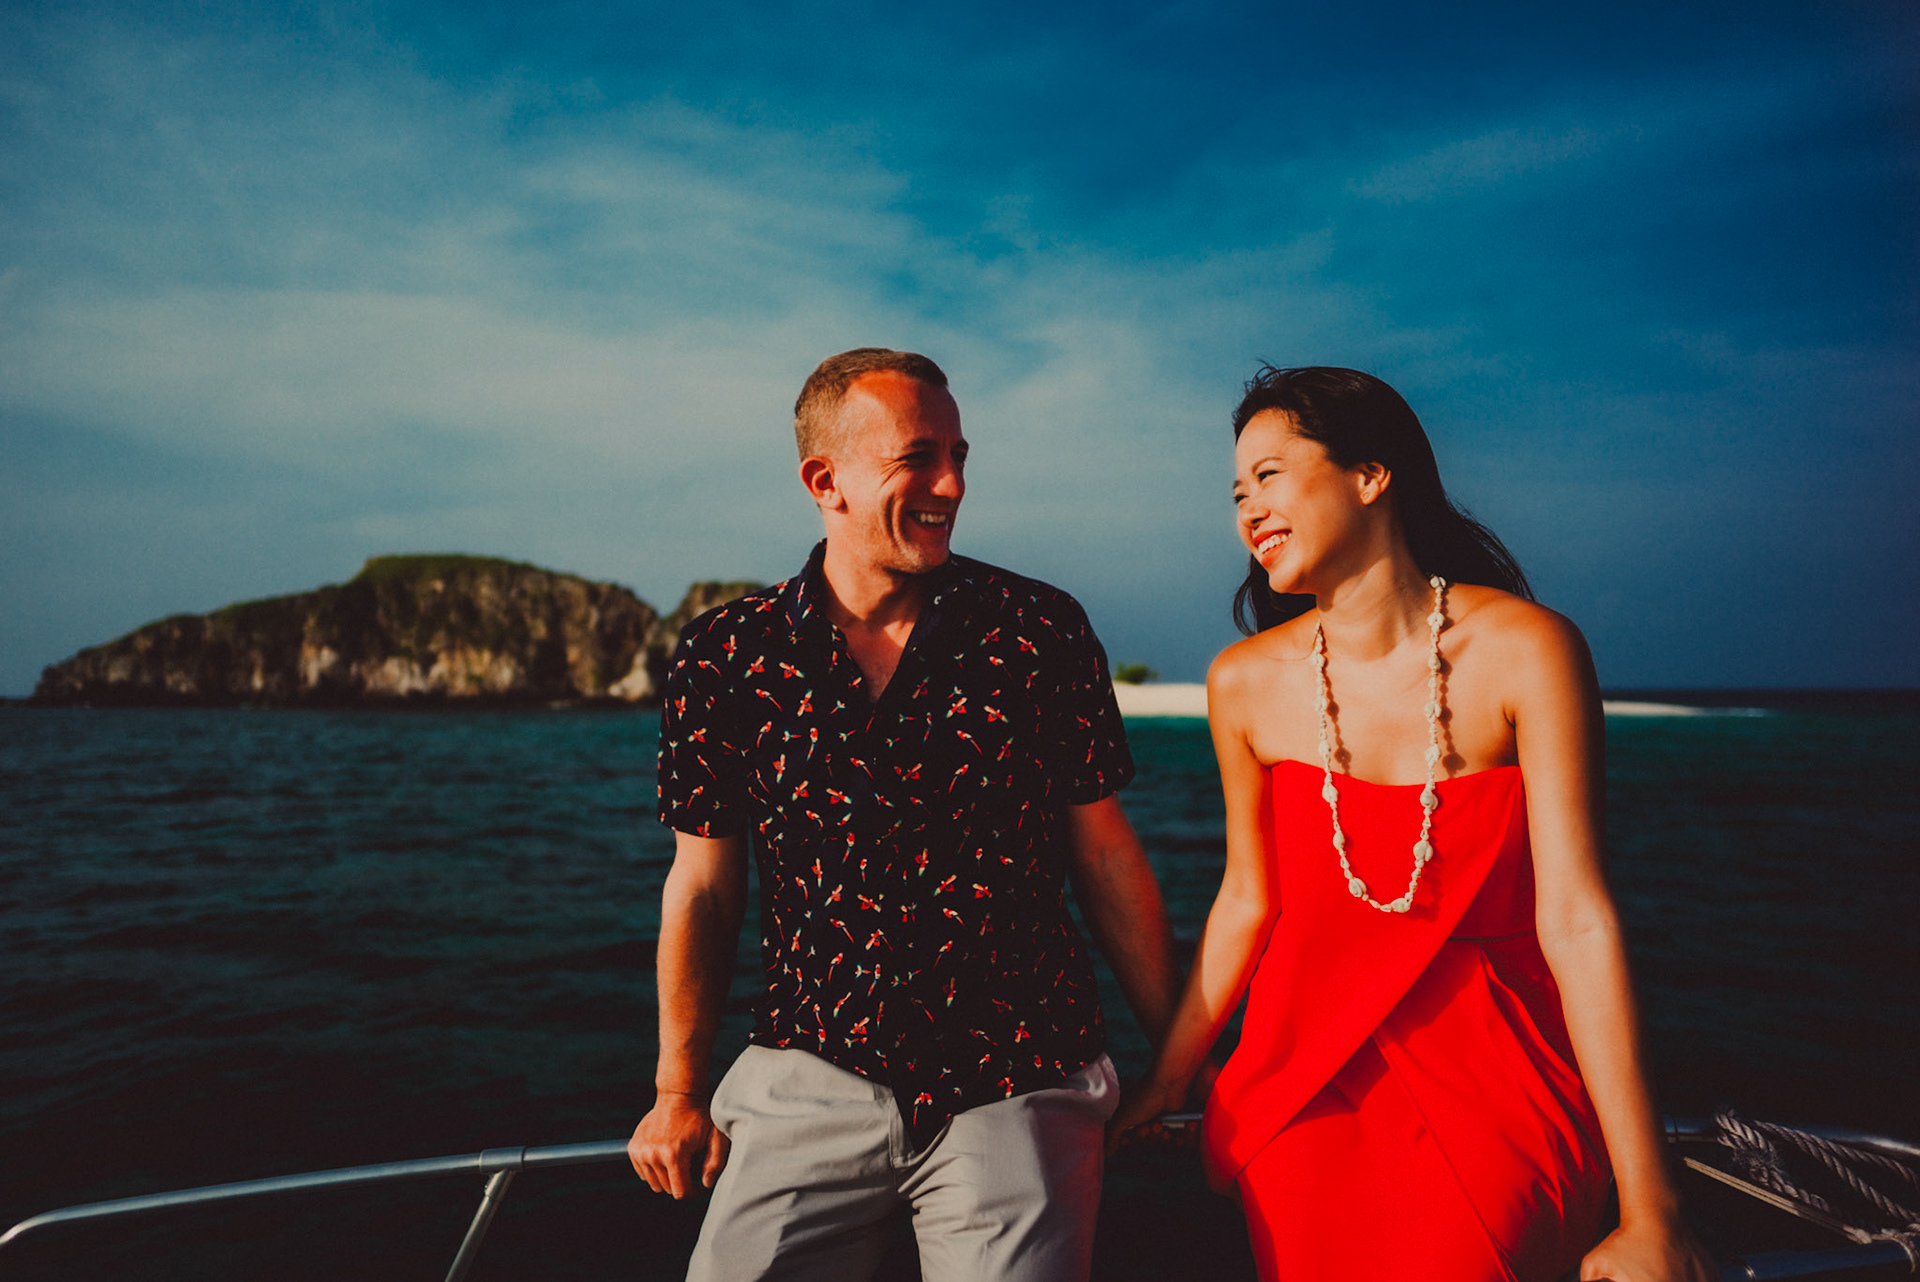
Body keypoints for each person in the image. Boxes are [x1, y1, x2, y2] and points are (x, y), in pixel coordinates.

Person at [1108, 367, 1715, 1281]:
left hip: (1500, 1077)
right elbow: (1246, 900)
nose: (1247, 509)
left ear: (1370, 474)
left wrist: (1652, 1208)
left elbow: (1580, 920)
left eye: (1269, 475)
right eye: (1236, 491)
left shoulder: (1528, 651)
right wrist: (1166, 1076)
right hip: (1302, 1088)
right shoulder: (1242, 683)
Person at [628, 347, 1178, 1282]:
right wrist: (677, 1090)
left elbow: (1105, 854)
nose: (953, 484)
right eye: (918, 457)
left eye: (960, 454)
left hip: (1019, 1075)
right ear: (824, 479)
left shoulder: (1038, 629)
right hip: (808, 1067)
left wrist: (1177, 1062)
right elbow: (705, 884)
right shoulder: (728, 653)